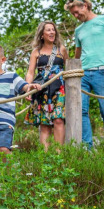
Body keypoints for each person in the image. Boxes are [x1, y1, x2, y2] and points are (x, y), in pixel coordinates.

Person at [64, 0, 104, 149]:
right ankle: (87, 148)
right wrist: (72, 69)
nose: (76, 16)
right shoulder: (78, 30)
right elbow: (77, 54)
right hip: (82, 74)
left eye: (77, 12)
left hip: (102, 71)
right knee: (81, 111)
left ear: (85, 5)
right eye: (73, 14)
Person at [0, 43, 41, 190]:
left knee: (3, 149)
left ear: (3, 60)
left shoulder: (11, 77)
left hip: (4, 121)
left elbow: (23, 87)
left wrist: (30, 86)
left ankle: (11, 178)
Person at [25, 21, 69, 151]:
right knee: (44, 124)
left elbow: (69, 68)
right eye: (48, 30)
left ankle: (58, 155)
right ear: (42, 34)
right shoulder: (36, 52)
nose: (52, 32)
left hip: (59, 89)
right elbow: (30, 72)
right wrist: (28, 87)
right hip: (42, 90)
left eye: (53, 30)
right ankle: (46, 157)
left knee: (59, 120)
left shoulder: (61, 49)